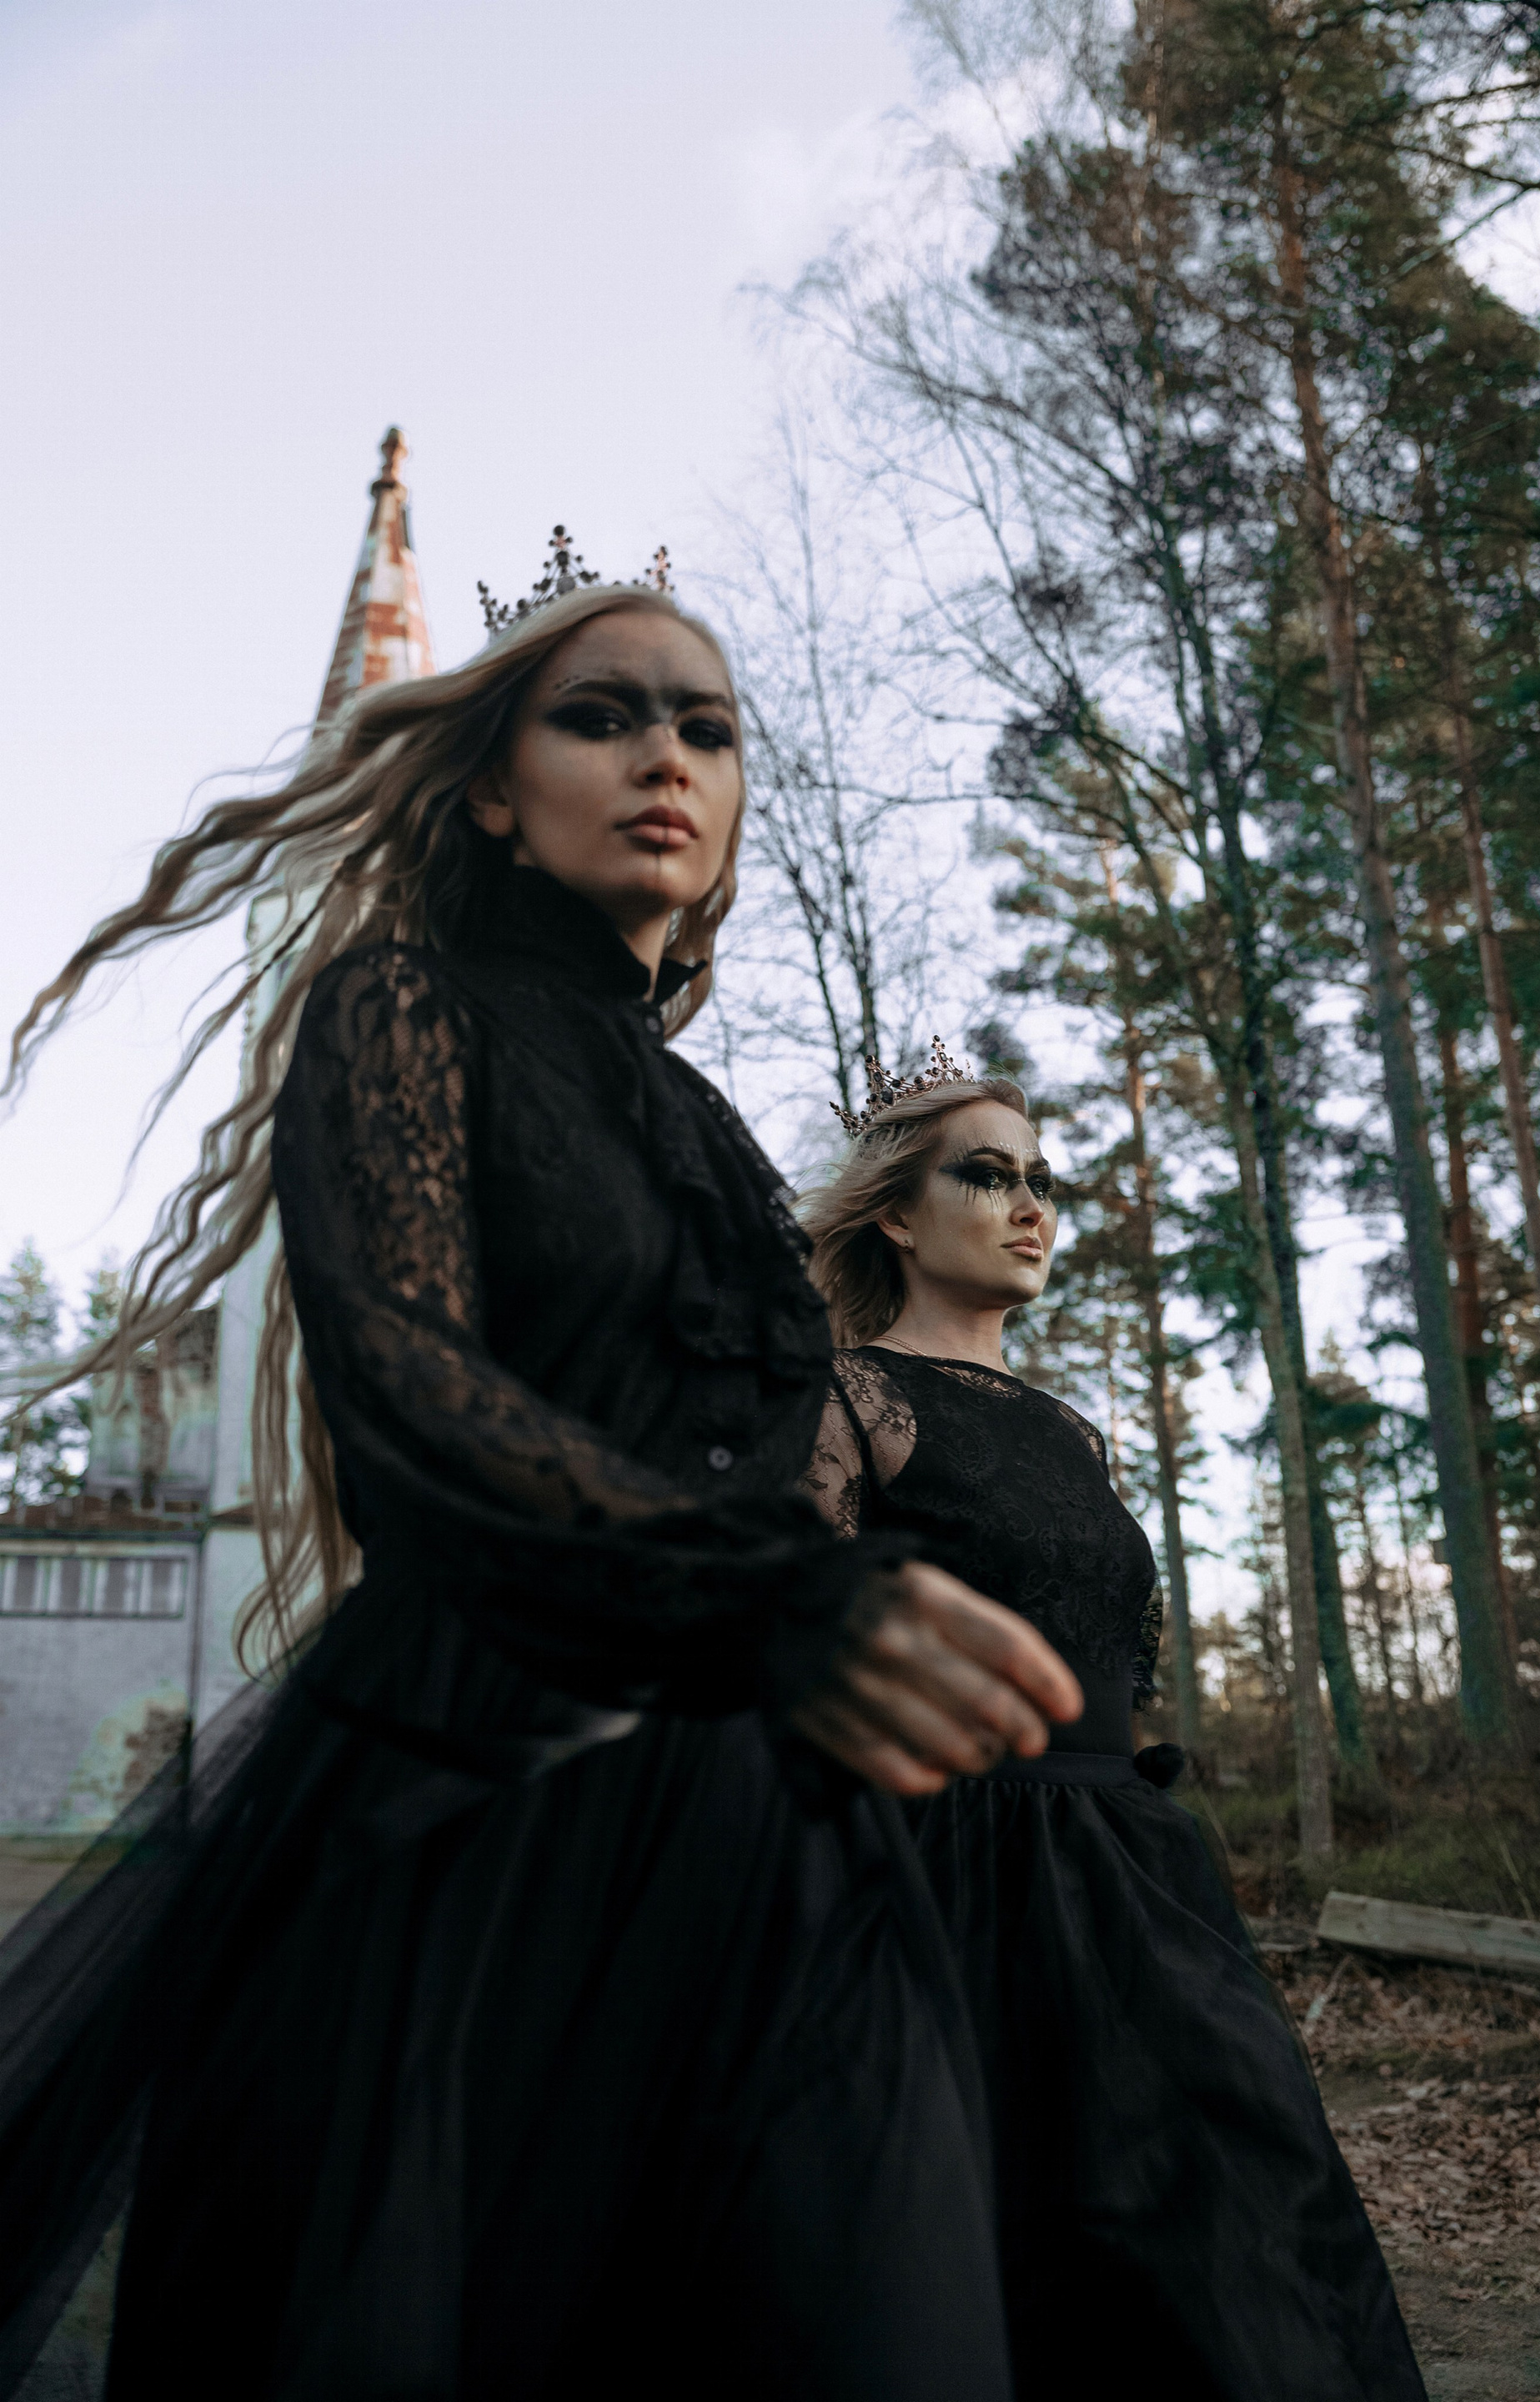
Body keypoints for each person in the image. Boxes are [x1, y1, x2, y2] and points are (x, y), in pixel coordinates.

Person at [0, 586, 1084, 2402]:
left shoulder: (718, 1134)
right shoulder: (398, 1013)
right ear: (494, 792)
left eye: (708, 728)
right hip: (473, 1802)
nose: (667, 754)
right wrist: (767, 1598)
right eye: (603, 714)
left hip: (771, 1829)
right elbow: (416, 1397)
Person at [798, 1052, 1427, 2402]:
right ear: (896, 1213)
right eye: (988, 1175)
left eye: (1043, 1180)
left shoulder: (1075, 1433)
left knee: (1227, 2216)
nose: (1032, 1207)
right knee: (1002, 2241)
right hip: (947, 1874)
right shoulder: (844, 1400)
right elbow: (797, 1656)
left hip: (1127, 1868)